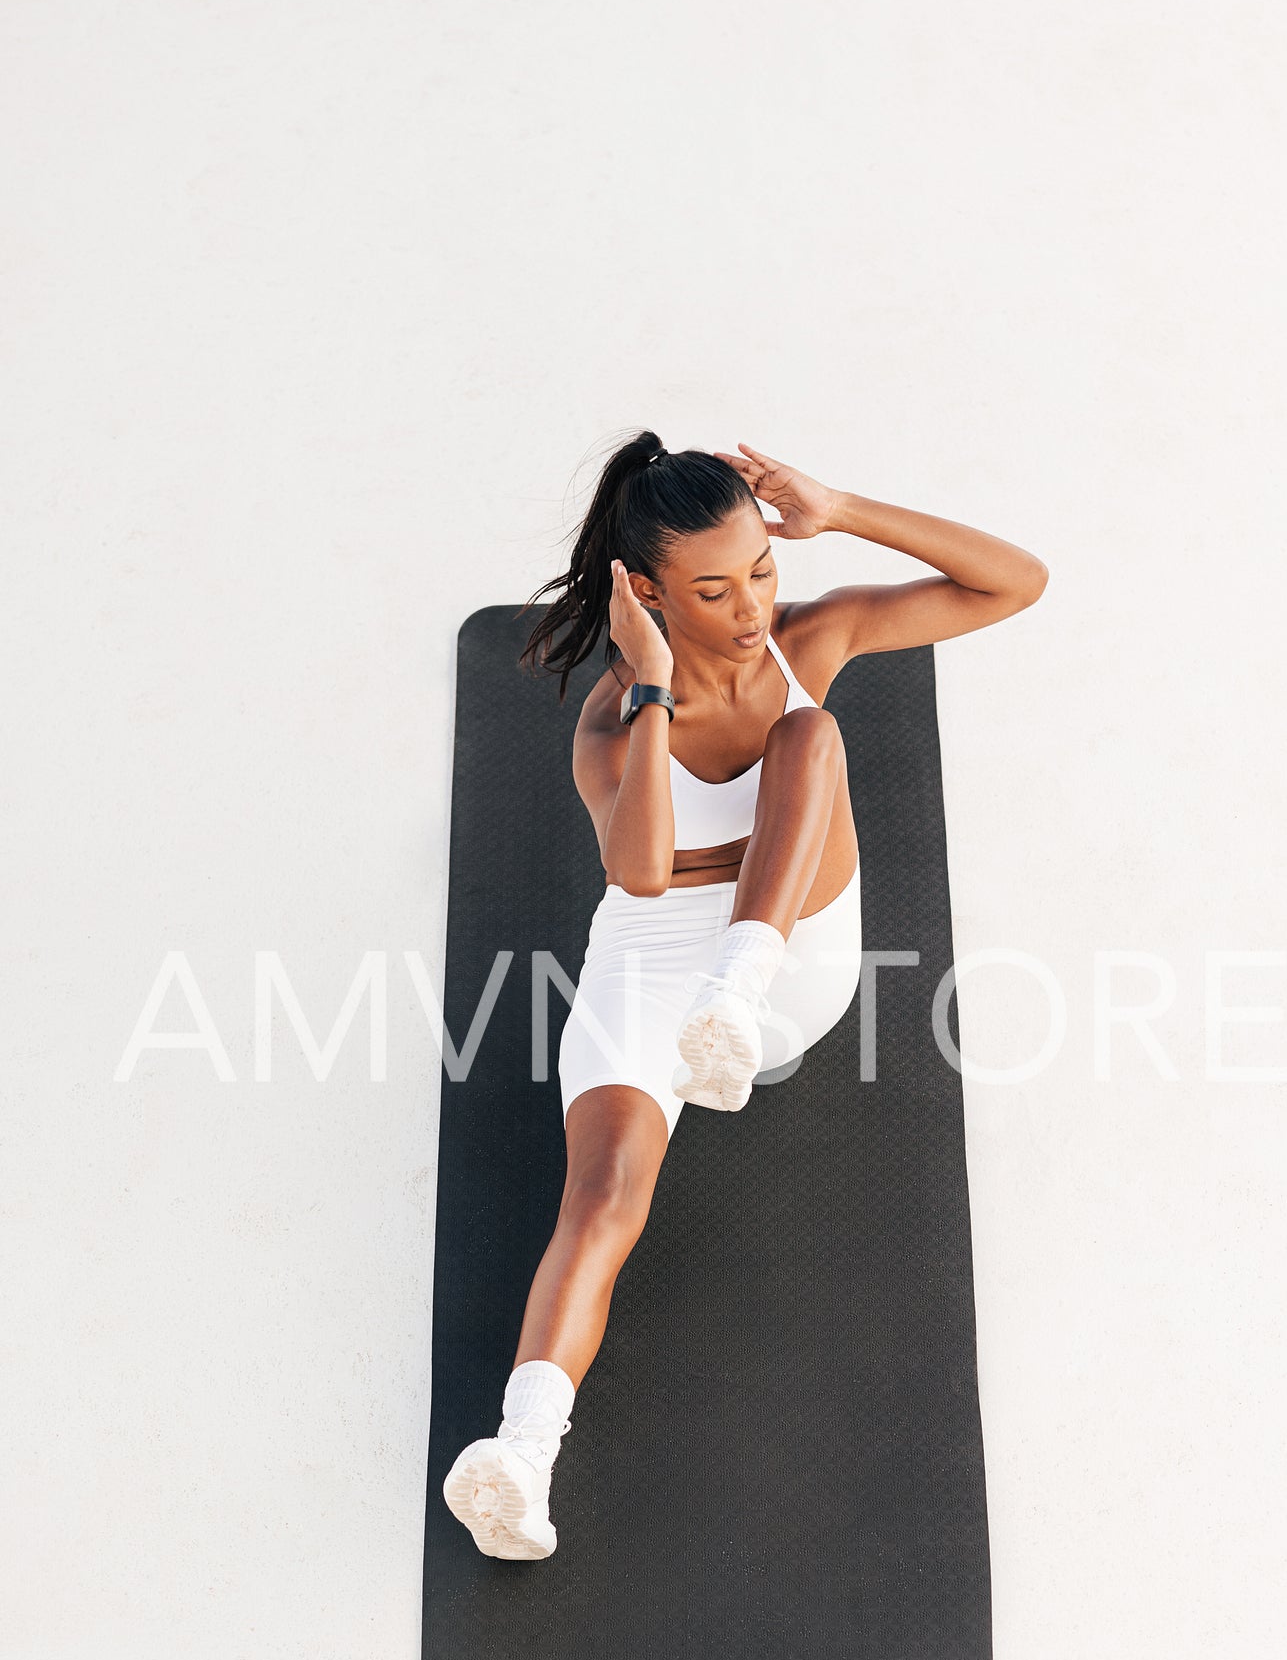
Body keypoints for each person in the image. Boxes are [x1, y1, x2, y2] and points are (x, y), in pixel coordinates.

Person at [443, 434, 1047, 1559]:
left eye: (760, 571)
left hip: (783, 967)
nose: (751, 608)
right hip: (646, 967)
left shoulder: (808, 646)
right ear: (644, 592)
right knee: (601, 1197)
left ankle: (737, 989)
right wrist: (657, 688)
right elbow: (635, 876)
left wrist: (844, 507)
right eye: (712, 591)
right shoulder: (611, 723)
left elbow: (1014, 582)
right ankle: (521, 1461)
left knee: (808, 731)